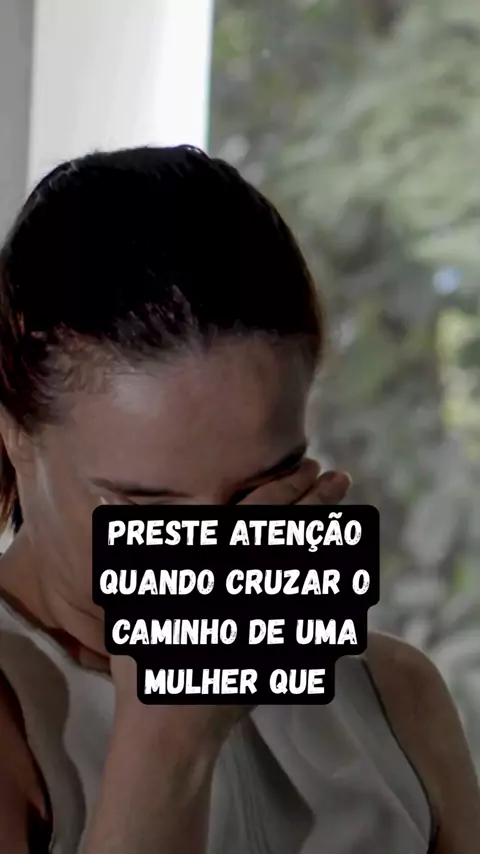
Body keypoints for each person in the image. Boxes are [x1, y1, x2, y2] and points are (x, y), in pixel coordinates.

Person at [0, 146, 477, 854]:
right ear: (16, 433)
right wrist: (170, 738)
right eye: (147, 508)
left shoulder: (394, 696)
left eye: (259, 493)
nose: (215, 553)